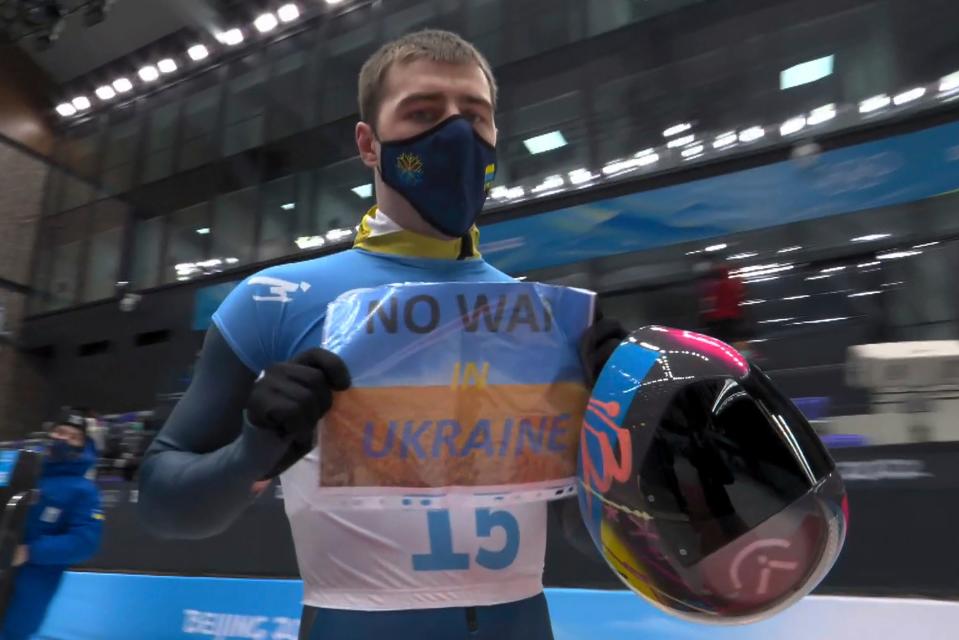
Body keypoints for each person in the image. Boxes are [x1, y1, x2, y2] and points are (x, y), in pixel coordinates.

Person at [138, 30, 624, 640]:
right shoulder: (272, 302)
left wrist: (626, 439)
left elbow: (586, 532)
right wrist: (254, 452)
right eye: (423, 112)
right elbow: (161, 503)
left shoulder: (545, 318)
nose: (456, 134)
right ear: (369, 143)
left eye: (475, 115)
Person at [1, 410, 104, 640]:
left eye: (72, 436)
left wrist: (29, 552)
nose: (63, 439)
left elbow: (84, 542)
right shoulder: (26, 473)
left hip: (28, 590)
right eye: (59, 432)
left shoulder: (84, 492)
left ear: (83, 445)